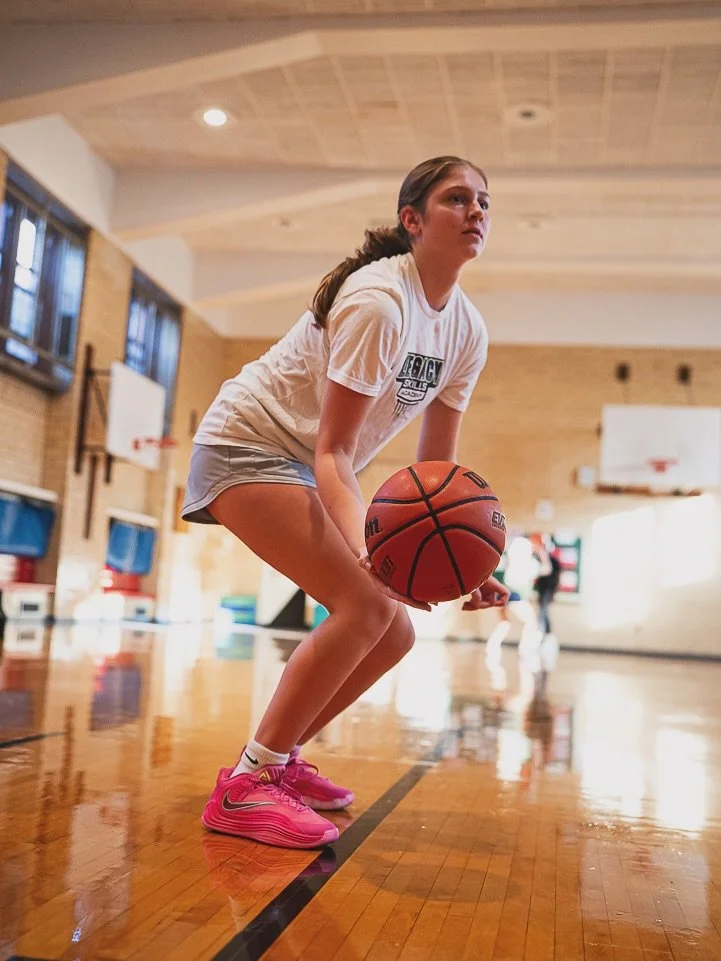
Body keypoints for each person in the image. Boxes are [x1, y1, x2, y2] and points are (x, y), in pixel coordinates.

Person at [181, 156, 510, 849]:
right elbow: (332, 449)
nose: (475, 210)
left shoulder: (466, 331)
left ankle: (279, 759)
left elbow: (434, 472)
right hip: (249, 444)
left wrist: (462, 566)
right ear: (412, 220)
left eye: (482, 200)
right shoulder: (377, 300)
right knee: (367, 604)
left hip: (302, 463)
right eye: (457, 199)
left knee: (395, 629)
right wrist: (370, 553)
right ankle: (245, 787)